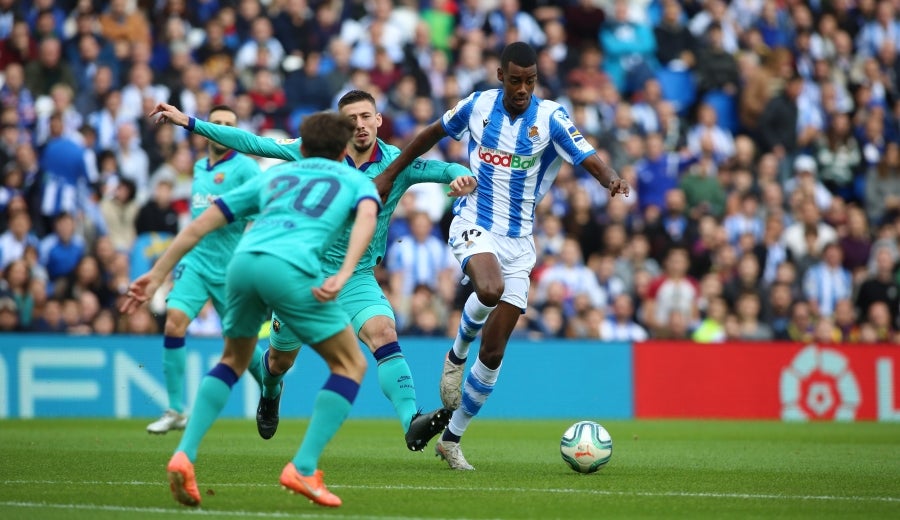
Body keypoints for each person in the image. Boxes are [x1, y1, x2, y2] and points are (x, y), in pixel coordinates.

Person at [149, 89, 475, 450]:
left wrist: (461, 176)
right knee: (278, 360)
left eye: (367, 116)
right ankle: (271, 392)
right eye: (351, 120)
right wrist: (188, 121)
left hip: (355, 276)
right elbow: (253, 142)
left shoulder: (397, 163)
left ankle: (411, 419)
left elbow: (444, 168)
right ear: (339, 128)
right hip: (303, 274)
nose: (361, 125)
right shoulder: (315, 155)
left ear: (379, 120)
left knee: (383, 333)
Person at [374, 42, 629, 470]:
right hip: (474, 220)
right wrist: (388, 173)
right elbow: (430, 135)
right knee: (489, 289)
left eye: (530, 81)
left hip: (519, 242)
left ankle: (452, 439)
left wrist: (611, 178)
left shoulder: (550, 117)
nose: (523, 89)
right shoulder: (477, 107)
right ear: (500, 76)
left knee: (493, 353)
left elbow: (586, 155)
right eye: (515, 80)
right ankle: (456, 354)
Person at [120, 112, 379, 508]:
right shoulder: (355, 179)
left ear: (302, 148)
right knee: (350, 365)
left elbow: (200, 224)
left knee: (233, 359)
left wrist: (155, 275)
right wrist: (344, 273)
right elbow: (366, 219)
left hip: (241, 264)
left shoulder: (273, 176)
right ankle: (304, 468)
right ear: (343, 150)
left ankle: (184, 455)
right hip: (290, 268)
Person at [145, 105, 265, 434]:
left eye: (230, 124)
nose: (223, 129)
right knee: (174, 323)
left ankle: (270, 387)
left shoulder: (247, 169)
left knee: (242, 344)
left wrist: (252, 241)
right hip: (195, 263)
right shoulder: (200, 167)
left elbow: (265, 207)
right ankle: (175, 410)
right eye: (218, 123)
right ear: (207, 128)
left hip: (230, 269)